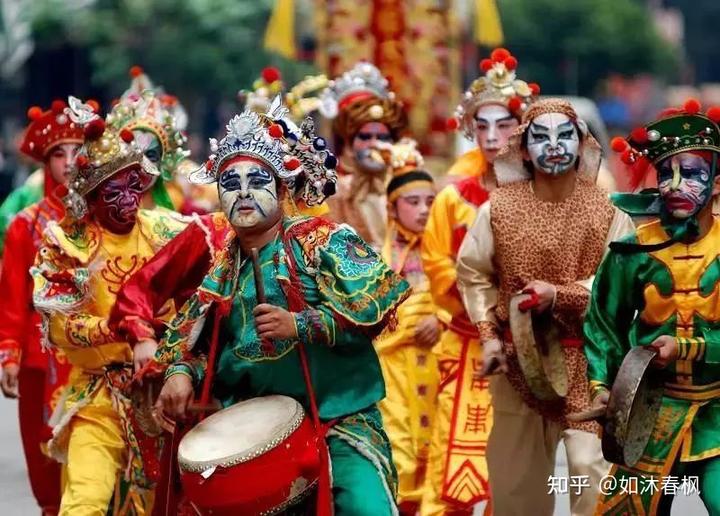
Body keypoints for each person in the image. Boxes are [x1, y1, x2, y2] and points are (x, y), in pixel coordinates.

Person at [110, 97, 410, 514]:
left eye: (258, 180)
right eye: (230, 184)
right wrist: (179, 374)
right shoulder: (220, 265)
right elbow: (196, 345)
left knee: (365, 508)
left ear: (284, 188)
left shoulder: (322, 240)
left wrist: (302, 324)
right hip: (252, 430)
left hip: (337, 421)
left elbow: (377, 304)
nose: (245, 193)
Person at [456, 98, 633, 516]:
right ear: (523, 147)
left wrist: (561, 295)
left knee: (592, 473)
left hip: (592, 363)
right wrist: (488, 337)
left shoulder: (608, 210)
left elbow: (618, 284)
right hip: (520, 361)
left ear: (581, 142)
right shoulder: (497, 209)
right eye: (540, 136)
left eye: (564, 134)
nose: (553, 145)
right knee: (519, 488)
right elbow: (474, 272)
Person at [30, 99, 188, 515]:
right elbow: (64, 327)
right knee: (85, 500)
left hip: (163, 393)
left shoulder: (167, 231)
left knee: (163, 504)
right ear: (92, 198)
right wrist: (123, 330)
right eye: (114, 191)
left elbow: (210, 275)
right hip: (98, 395)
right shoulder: (69, 245)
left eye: (134, 185)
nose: (128, 199)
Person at [584, 99, 720, 514]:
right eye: (666, 173)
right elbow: (603, 321)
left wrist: (687, 348)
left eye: (692, 174)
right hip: (649, 410)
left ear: (717, 183)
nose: (676, 185)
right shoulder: (633, 250)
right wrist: (604, 388)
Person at [418, 47, 538, 516]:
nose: (492, 137)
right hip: (469, 341)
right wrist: (487, 296)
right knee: (455, 452)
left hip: (531, 345)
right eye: (482, 126)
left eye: (504, 124)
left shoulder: (547, 191)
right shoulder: (454, 197)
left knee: (523, 458)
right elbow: (438, 264)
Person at [0, 99, 84, 516]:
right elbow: (13, 297)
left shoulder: (102, 219)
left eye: (77, 152)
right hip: (40, 355)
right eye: (58, 154)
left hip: (94, 354)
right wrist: (9, 354)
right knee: (42, 448)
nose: (69, 163)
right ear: (45, 162)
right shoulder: (25, 225)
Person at [375, 138, 442, 515]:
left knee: (438, 451)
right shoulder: (377, 258)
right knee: (399, 447)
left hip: (438, 367)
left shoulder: (446, 253)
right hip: (393, 372)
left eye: (430, 202)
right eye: (412, 202)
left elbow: (464, 301)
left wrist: (441, 318)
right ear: (392, 207)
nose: (422, 211)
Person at [319, 61, 408, 248]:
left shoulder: (408, 186)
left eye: (382, 137)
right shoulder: (333, 192)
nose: (375, 144)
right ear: (349, 140)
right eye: (365, 136)